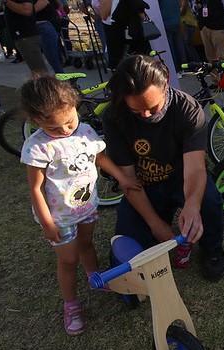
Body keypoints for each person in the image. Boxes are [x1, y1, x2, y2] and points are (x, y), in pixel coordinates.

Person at [19, 74, 141, 336]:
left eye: (69, 121)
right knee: (68, 261)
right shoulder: (38, 147)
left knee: (87, 245)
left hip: (87, 207)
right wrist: (47, 222)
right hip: (59, 218)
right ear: (36, 120)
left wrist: (122, 178)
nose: (64, 130)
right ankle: (71, 304)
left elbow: (100, 158)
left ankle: (96, 278)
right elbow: (35, 188)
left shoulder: (84, 131)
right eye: (54, 127)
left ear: (76, 107)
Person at [103, 55, 224, 281]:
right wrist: (156, 224)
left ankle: (211, 248)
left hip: (181, 178)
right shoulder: (114, 117)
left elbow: (195, 169)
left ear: (166, 82)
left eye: (152, 107)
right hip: (144, 185)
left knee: (209, 201)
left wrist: (191, 204)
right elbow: (128, 179)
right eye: (137, 111)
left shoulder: (188, 109)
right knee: (124, 255)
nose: (147, 116)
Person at [4, 0, 50, 72]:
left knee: (40, 72)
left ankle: (47, 83)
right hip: (24, 36)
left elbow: (27, 10)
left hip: (26, 36)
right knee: (37, 71)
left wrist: (6, 2)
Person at [159, 0, 186, 75]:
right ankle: (183, 68)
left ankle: (176, 70)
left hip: (166, 23)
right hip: (176, 21)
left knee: (171, 48)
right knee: (179, 46)